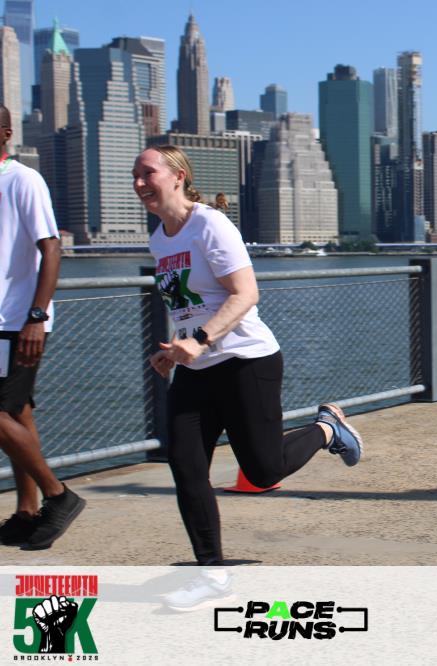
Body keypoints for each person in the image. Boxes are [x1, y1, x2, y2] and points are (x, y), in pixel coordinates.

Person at [134, 145, 363, 603]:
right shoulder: (160, 239)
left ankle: (327, 428)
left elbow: (245, 294)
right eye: (134, 176)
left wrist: (199, 340)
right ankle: (212, 574)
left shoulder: (210, 225)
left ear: (178, 176)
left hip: (246, 361)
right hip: (197, 368)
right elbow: (189, 305)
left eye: (148, 173)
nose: (139, 183)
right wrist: (176, 349)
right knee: (186, 466)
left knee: (263, 470)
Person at [0, 104, 86, 550]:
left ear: (6, 133)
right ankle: (27, 511)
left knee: (2, 415)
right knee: (17, 412)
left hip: (19, 320)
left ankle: (59, 496)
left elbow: (51, 249)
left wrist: (37, 316)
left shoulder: (23, 179)